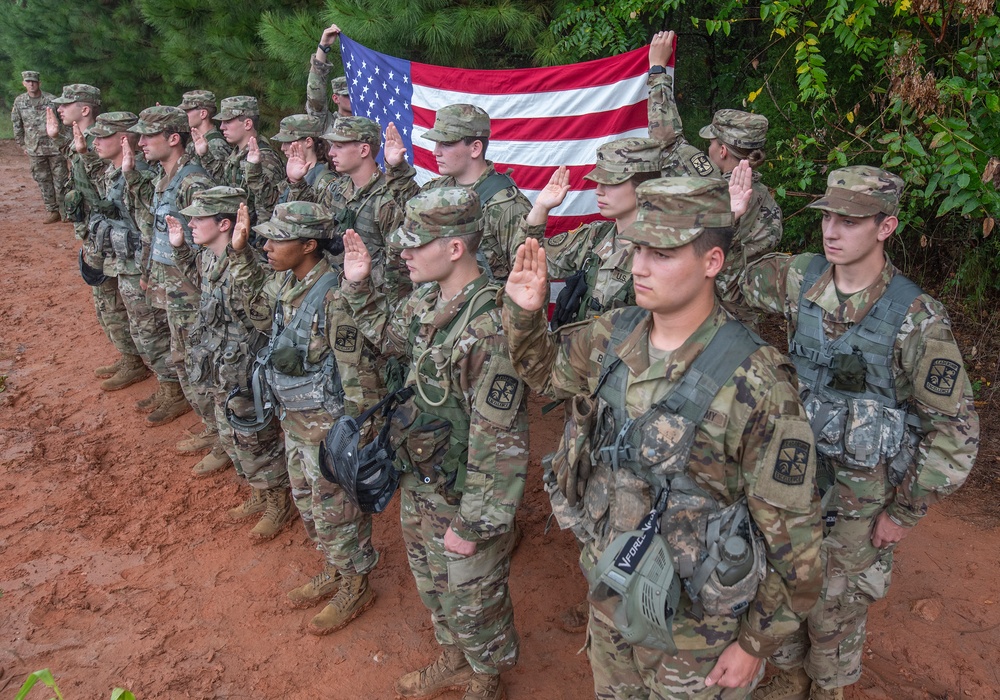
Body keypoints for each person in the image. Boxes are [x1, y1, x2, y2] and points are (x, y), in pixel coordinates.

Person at [502, 177, 824, 699]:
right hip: (613, 593)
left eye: (663, 252)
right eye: (638, 248)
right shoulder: (613, 334)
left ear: (712, 262)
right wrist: (524, 313)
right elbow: (544, 374)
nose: (639, 266)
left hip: (698, 637)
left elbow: (798, 543)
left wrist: (754, 645)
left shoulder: (757, 383)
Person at [737, 166, 980, 700]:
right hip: (791, 476)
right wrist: (737, 217)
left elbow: (955, 432)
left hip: (861, 497)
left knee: (835, 606)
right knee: (781, 577)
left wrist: (904, 511)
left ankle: (827, 691)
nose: (832, 230)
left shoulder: (916, 319)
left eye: (850, 220)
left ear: (885, 227)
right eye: (828, 216)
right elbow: (731, 275)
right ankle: (790, 678)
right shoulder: (802, 279)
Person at [342, 188, 529, 700]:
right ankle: (453, 656)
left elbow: (501, 445)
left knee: (474, 595)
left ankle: (485, 678)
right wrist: (359, 288)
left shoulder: (488, 329)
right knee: (432, 582)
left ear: (454, 249)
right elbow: (389, 336)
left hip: (463, 493)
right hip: (421, 477)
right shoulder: (428, 299)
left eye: (415, 243)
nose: (402, 252)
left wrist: (475, 523)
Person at [228, 200, 382, 634]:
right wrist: (240, 256)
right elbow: (256, 315)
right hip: (294, 421)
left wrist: (355, 436)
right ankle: (335, 568)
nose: (267, 245)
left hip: (327, 429)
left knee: (337, 511)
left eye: (278, 238)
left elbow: (358, 372)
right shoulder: (284, 283)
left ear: (309, 244)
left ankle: (356, 583)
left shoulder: (333, 296)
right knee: (309, 505)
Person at [165, 187, 293, 538]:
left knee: (255, 438)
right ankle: (259, 491)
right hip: (219, 363)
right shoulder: (207, 256)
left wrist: (240, 257)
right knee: (230, 433)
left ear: (224, 224)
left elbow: (262, 314)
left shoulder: (251, 266)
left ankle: (277, 501)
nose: (191, 223)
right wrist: (179, 250)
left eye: (198, 218)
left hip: (245, 368)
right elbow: (200, 285)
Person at [126, 106, 219, 441]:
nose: (140, 143)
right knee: (181, 357)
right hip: (172, 285)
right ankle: (211, 426)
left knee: (198, 361)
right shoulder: (164, 178)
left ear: (173, 138)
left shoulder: (192, 181)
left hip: (191, 291)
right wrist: (150, 273)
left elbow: (208, 244)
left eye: (148, 136)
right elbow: (157, 231)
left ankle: (220, 436)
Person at [383, 104, 534, 282]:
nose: (435, 152)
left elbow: (529, 278)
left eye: (446, 144)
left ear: (475, 148)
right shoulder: (440, 188)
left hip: (484, 307)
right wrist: (397, 168)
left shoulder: (506, 206)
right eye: (436, 143)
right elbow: (415, 216)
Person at [85, 111, 172, 395]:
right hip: (124, 261)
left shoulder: (140, 174)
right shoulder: (115, 172)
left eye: (103, 136)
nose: (95, 142)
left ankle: (173, 389)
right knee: (137, 327)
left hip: (138, 264)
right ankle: (154, 376)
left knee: (152, 330)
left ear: (122, 139)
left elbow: (150, 227)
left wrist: (148, 270)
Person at [286, 116, 409, 305]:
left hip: (366, 301)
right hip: (328, 294)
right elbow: (306, 228)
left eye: (339, 146)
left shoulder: (388, 200)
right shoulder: (335, 189)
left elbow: (397, 270)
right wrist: (297, 184)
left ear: (363, 150)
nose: (331, 152)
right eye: (332, 145)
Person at [199, 96, 284, 227]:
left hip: (255, 237)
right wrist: (206, 156)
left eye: (227, 121)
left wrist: (259, 243)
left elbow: (269, 208)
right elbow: (227, 184)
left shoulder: (264, 158)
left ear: (248, 124)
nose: (222, 127)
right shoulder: (238, 153)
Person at [646, 31, 719, 179]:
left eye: (712, 142)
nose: (708, 147)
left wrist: (657, 69)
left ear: (723, 151)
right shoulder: (754, 192)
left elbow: (667, 144)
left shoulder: (707, 177)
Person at [11, 70, 68, 224]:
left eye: (34, 81)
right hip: (34, 149)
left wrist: (64, 141)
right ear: (24, 83)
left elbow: (64, 121)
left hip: (55, 147)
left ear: (39, 83)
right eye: (28, 81)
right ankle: (52, 210)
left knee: (61, 180)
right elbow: (17, 124)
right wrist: (22, 143)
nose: (31, 84)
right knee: (43, 180)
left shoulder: (51, 100)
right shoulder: (20, 102)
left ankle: (65, 211)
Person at [270, 114, 340, 204]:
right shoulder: (292, 175)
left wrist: (297, 183)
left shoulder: (325, 180)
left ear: (308, 142)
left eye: (288, 142)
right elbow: (271, 204)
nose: (282, 148)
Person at [307, 24, 353, 134]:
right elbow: (315, 96)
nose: (353, 98)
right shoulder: (327, 123)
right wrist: (323, 46)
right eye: (347, 95)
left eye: (355, 94)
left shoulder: (370, 121)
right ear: (336, 98)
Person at [179, 90, 232, 181]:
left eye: (186, 111)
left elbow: (222, 183)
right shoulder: (194, 142)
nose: (183, 115)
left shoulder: (215, 144)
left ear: (203, 113)